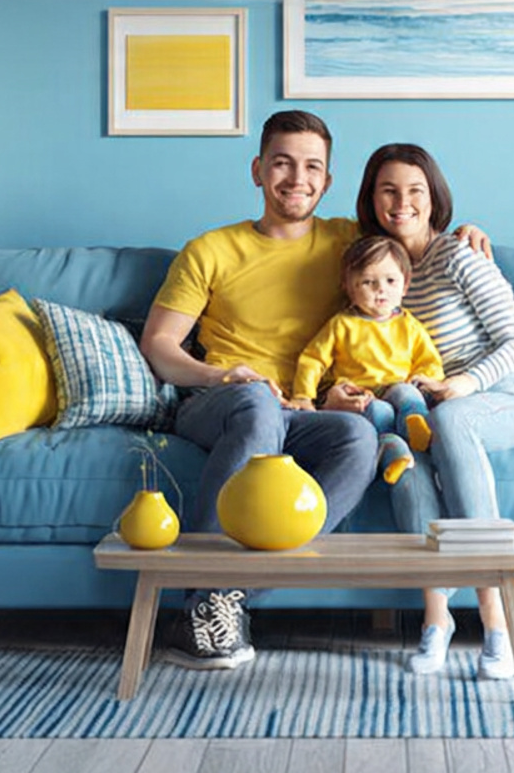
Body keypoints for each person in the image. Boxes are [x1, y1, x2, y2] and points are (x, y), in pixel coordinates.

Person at [140, 111, 490, 671]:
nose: (296, 178)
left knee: (357, 435)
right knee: (257, 403)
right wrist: (220, 375)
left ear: (326, 182)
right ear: (257, 170)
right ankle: (206, 598)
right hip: (224, 401)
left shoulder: (348, 243)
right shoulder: (209, 249)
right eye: (282, 162)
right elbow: (159, 345)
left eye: (311, 167)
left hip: (304, 411)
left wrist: (464, 233)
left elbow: (411, 237)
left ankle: (231, 599)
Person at [356, 142, 514, 681]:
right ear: (371, 200)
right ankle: (436, 619)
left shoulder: (460, 256)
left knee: (451, 420)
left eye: (415, 190)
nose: (402, 202)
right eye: (388, 190)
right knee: (410, 450)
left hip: (502, 399)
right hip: (426, 407)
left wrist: (464, 383)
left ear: (434, 198)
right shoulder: (377, 269)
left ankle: (495, 617)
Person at [292, 235, 444, 485]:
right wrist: (303, 395)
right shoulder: (342, 324)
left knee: (407, 394)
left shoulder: (409, 325)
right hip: (360, 394)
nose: (380, 289)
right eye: (368, 282)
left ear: (405, 286)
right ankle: (394, 449)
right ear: (349, 288)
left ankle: (415, 429)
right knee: (378, 411)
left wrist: (426, 379)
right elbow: (313, 360)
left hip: (396, 386)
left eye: (390, 281)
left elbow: (429, 361)